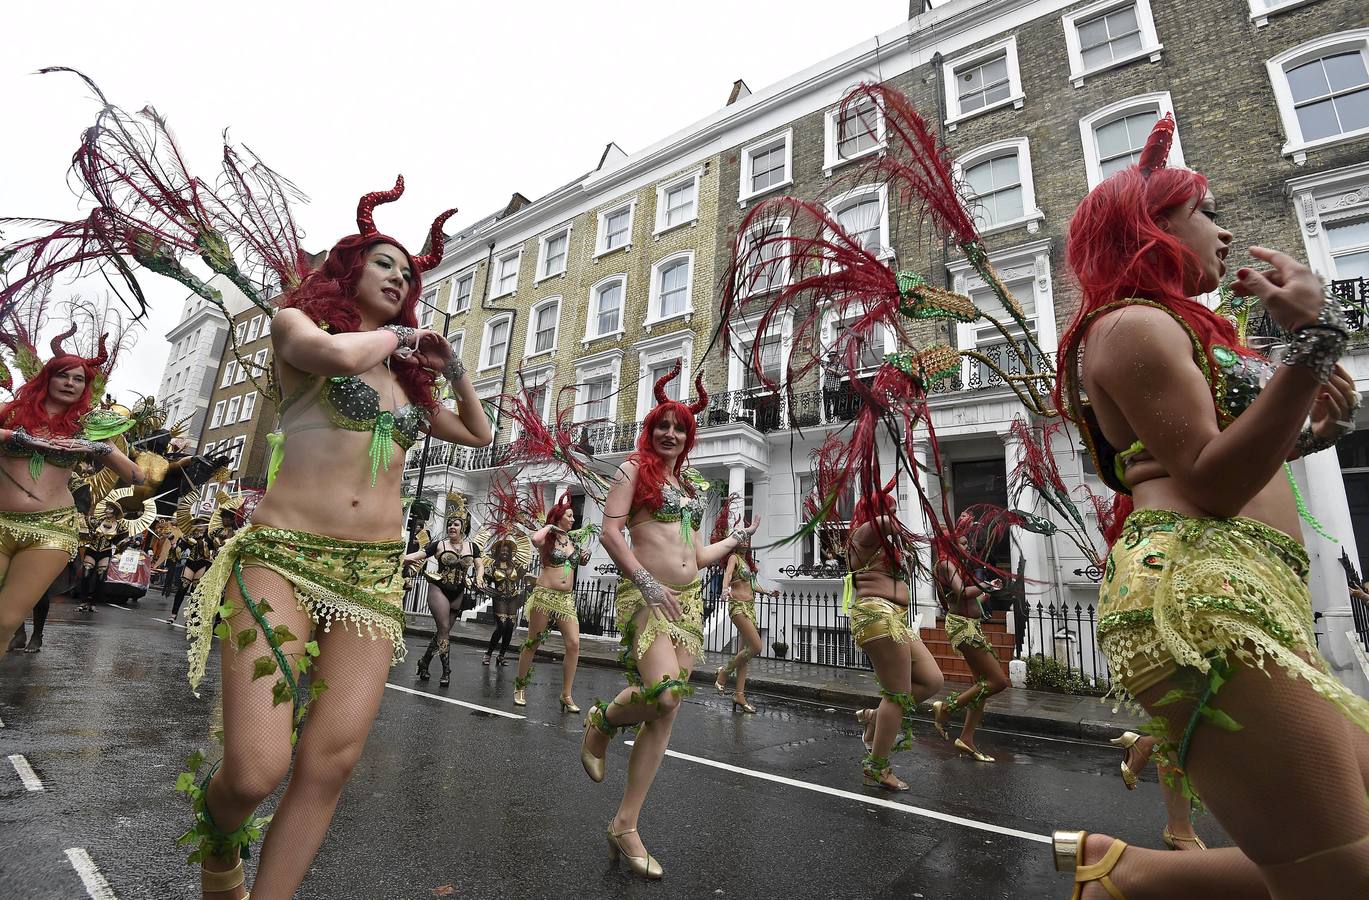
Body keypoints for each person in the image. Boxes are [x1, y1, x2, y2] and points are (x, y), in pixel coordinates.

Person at [1050, 114, 1369, 898]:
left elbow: (1220, 460)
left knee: (1334, 861)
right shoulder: (1129, 324)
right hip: (1199, 597)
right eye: (1207, 211)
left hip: (1249, 590)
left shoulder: (1183, 331)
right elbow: (1208, 480)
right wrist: (1311, 340)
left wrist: (1306, 424)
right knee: (1343, 875)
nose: (1224, 229)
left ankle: (1130, 876)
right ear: (1150, 224)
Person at [180, 180, 492, 900]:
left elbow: (476, 433)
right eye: (386, 264)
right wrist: (403, 337)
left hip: (373, 576)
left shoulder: (407, 385)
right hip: (282, 558)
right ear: (347, 270)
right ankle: (220, 834)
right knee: (255, 770)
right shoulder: (297, 329)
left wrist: (451, 371)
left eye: (409, 274)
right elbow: (341, 358)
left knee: (328, 765)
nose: (400, 277)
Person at [579, 364, 758, 880]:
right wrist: (646, 581)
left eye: (681, 428)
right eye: (664, 424)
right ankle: (601, 722)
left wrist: (735, 540)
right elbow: (612, 535)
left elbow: (695, 555)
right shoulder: (632, 471)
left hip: (688, 600)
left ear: (689, 437)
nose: (672, 434)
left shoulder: (690, 484)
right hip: (645, 596)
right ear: (651, 428)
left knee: (664, 714)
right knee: (665, 693)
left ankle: (625, 824)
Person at [0, 332, 144, 660]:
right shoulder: (11, 413)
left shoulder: (87, 428)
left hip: (50, 530)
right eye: (63, 375)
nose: (70, 383)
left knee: (5, 620)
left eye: (78, 379)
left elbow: (136, 476)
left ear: (86, 387)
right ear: (48, 378)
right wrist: (14, 437)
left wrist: (99, 447)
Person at [842, 482, 946, 790]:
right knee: (898, 694)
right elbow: (886, 523)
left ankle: (877, 717)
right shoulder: (864, 533)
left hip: (897, 618)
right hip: (877, 615)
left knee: (931, 680)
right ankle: (877, 766)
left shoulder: (884, 538)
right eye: (891, 508)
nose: (894, 514)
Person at [931, 530, 1009, 763]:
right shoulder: (945, 563)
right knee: (998, 682)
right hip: (963, 627)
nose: (967, 546)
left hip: (971, 624)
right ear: (950, 544)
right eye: (962, 542)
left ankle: (966, 738)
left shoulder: (954, 565)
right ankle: (946, 708)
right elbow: (962, 592)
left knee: (982, 685)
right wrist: (985, 585)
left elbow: (968, 599)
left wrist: (989, 590)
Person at [513, 490, 593, 710]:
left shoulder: (572, 540)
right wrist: (550, 526)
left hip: (566, 599)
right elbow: (534, 539)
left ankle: (566, 695)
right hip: (545, 596)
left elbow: (577, 565)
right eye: (569, 516)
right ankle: (520, 687)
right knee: (533, 642)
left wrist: (583, 558)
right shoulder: (547, 537)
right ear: (558, 517)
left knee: (574, 644)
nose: (573, 519)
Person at [712, 506, 780, 714]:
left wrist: (768, 592)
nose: (745, 541)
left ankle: (739, 695)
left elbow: (751, 585)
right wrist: (724, 590)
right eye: (742, 537)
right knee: (756, 647)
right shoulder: (733, 558)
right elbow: (727, 575)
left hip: (750, 606)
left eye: (747, 538)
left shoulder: (747, 563)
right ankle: (724, 672)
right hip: (738, 607)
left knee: (745, 654)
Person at [404, 516, 482, 687]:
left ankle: (424, 663)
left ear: (463, 528)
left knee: (442, 632)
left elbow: (479, 565)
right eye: (449, 524)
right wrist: (399, 556)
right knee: (444, 630)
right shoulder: (439, 544)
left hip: (459, 592)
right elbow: (419, 555)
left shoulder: (472, 547)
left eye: (456, 524)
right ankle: (446, 671)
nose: (451, 527)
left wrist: (480, 577)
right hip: (438, 588)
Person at [483, 536, 527, 667]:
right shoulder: (492, 567)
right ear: (497, 552)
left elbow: (523, 578)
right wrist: (489, 590)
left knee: (510, 626)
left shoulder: (515, 566)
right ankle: (488, 653)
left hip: (513, 598)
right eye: (502, 551)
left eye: (507, 551)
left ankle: (501, 655)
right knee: (502, 625)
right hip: (499, 598)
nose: (505, 553)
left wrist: (529, 584)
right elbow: (483, 581)